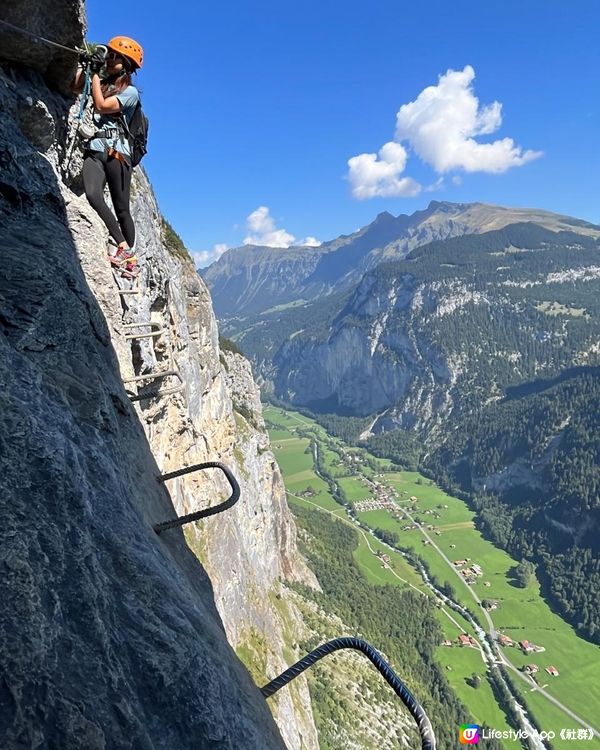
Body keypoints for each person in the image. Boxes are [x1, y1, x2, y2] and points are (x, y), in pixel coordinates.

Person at [73, 36, 143, 278]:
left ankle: (130, 259)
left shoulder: (131, 93)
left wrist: (94, 74)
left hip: (117, 153)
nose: (110, 59)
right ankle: (124, 247)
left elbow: (102, 106)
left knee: (122, 208)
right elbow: (74, 86)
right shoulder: (101, 81)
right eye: (110, 55)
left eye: (115, 56)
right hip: (95, 148)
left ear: (126, 64)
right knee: (93, 194)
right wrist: (86, 67)